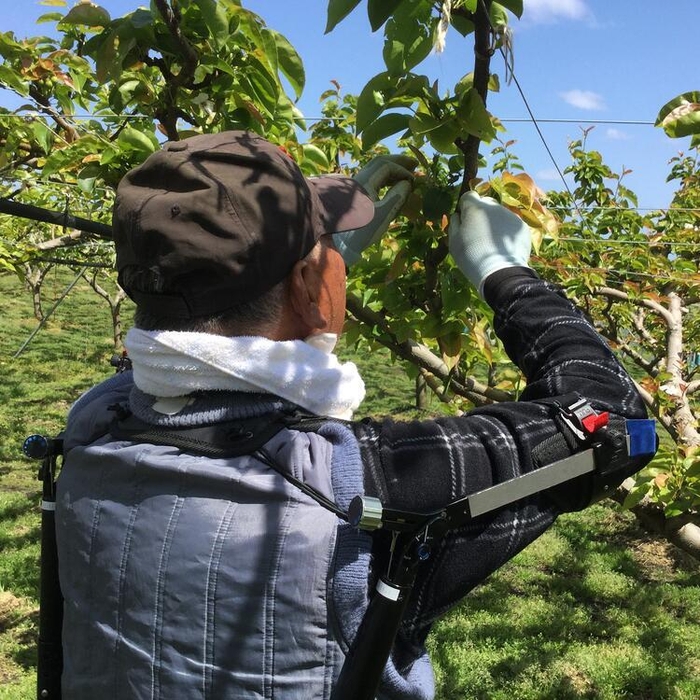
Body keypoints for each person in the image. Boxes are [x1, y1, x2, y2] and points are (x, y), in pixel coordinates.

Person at [54, 130, 655, 700]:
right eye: (323, 255)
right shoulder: (365, 490)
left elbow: (179, 354)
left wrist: (320, 265)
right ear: (308, 284)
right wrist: (506, 272)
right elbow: (616, 423)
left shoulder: (94, 424)